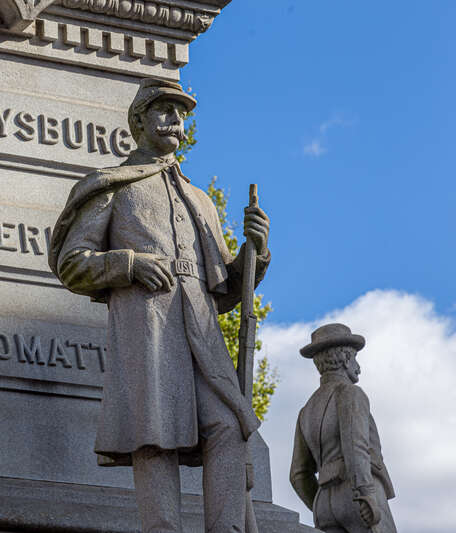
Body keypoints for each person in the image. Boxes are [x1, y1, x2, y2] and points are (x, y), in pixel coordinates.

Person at [48, 78, 271, 533]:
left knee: (228, 425)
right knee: (154, 435)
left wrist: (255, 254)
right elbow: (73, 263)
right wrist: (126, 264)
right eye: (164, 110)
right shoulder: (113, 186)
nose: (175, 119)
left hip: (202, 331)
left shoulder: (200, 199)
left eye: (181, 112)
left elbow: (225, 286)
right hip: (147, 325)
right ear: (139, 121)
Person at [290, 323, 397, 533]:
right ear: (346, 359)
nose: (358, 367)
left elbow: (298, 474)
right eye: (355, 358)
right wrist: (365, 493)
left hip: (324, 504)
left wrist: (320, 504)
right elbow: (355, 446)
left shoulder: (306, 410)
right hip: (358, 495)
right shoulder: (350, 393)